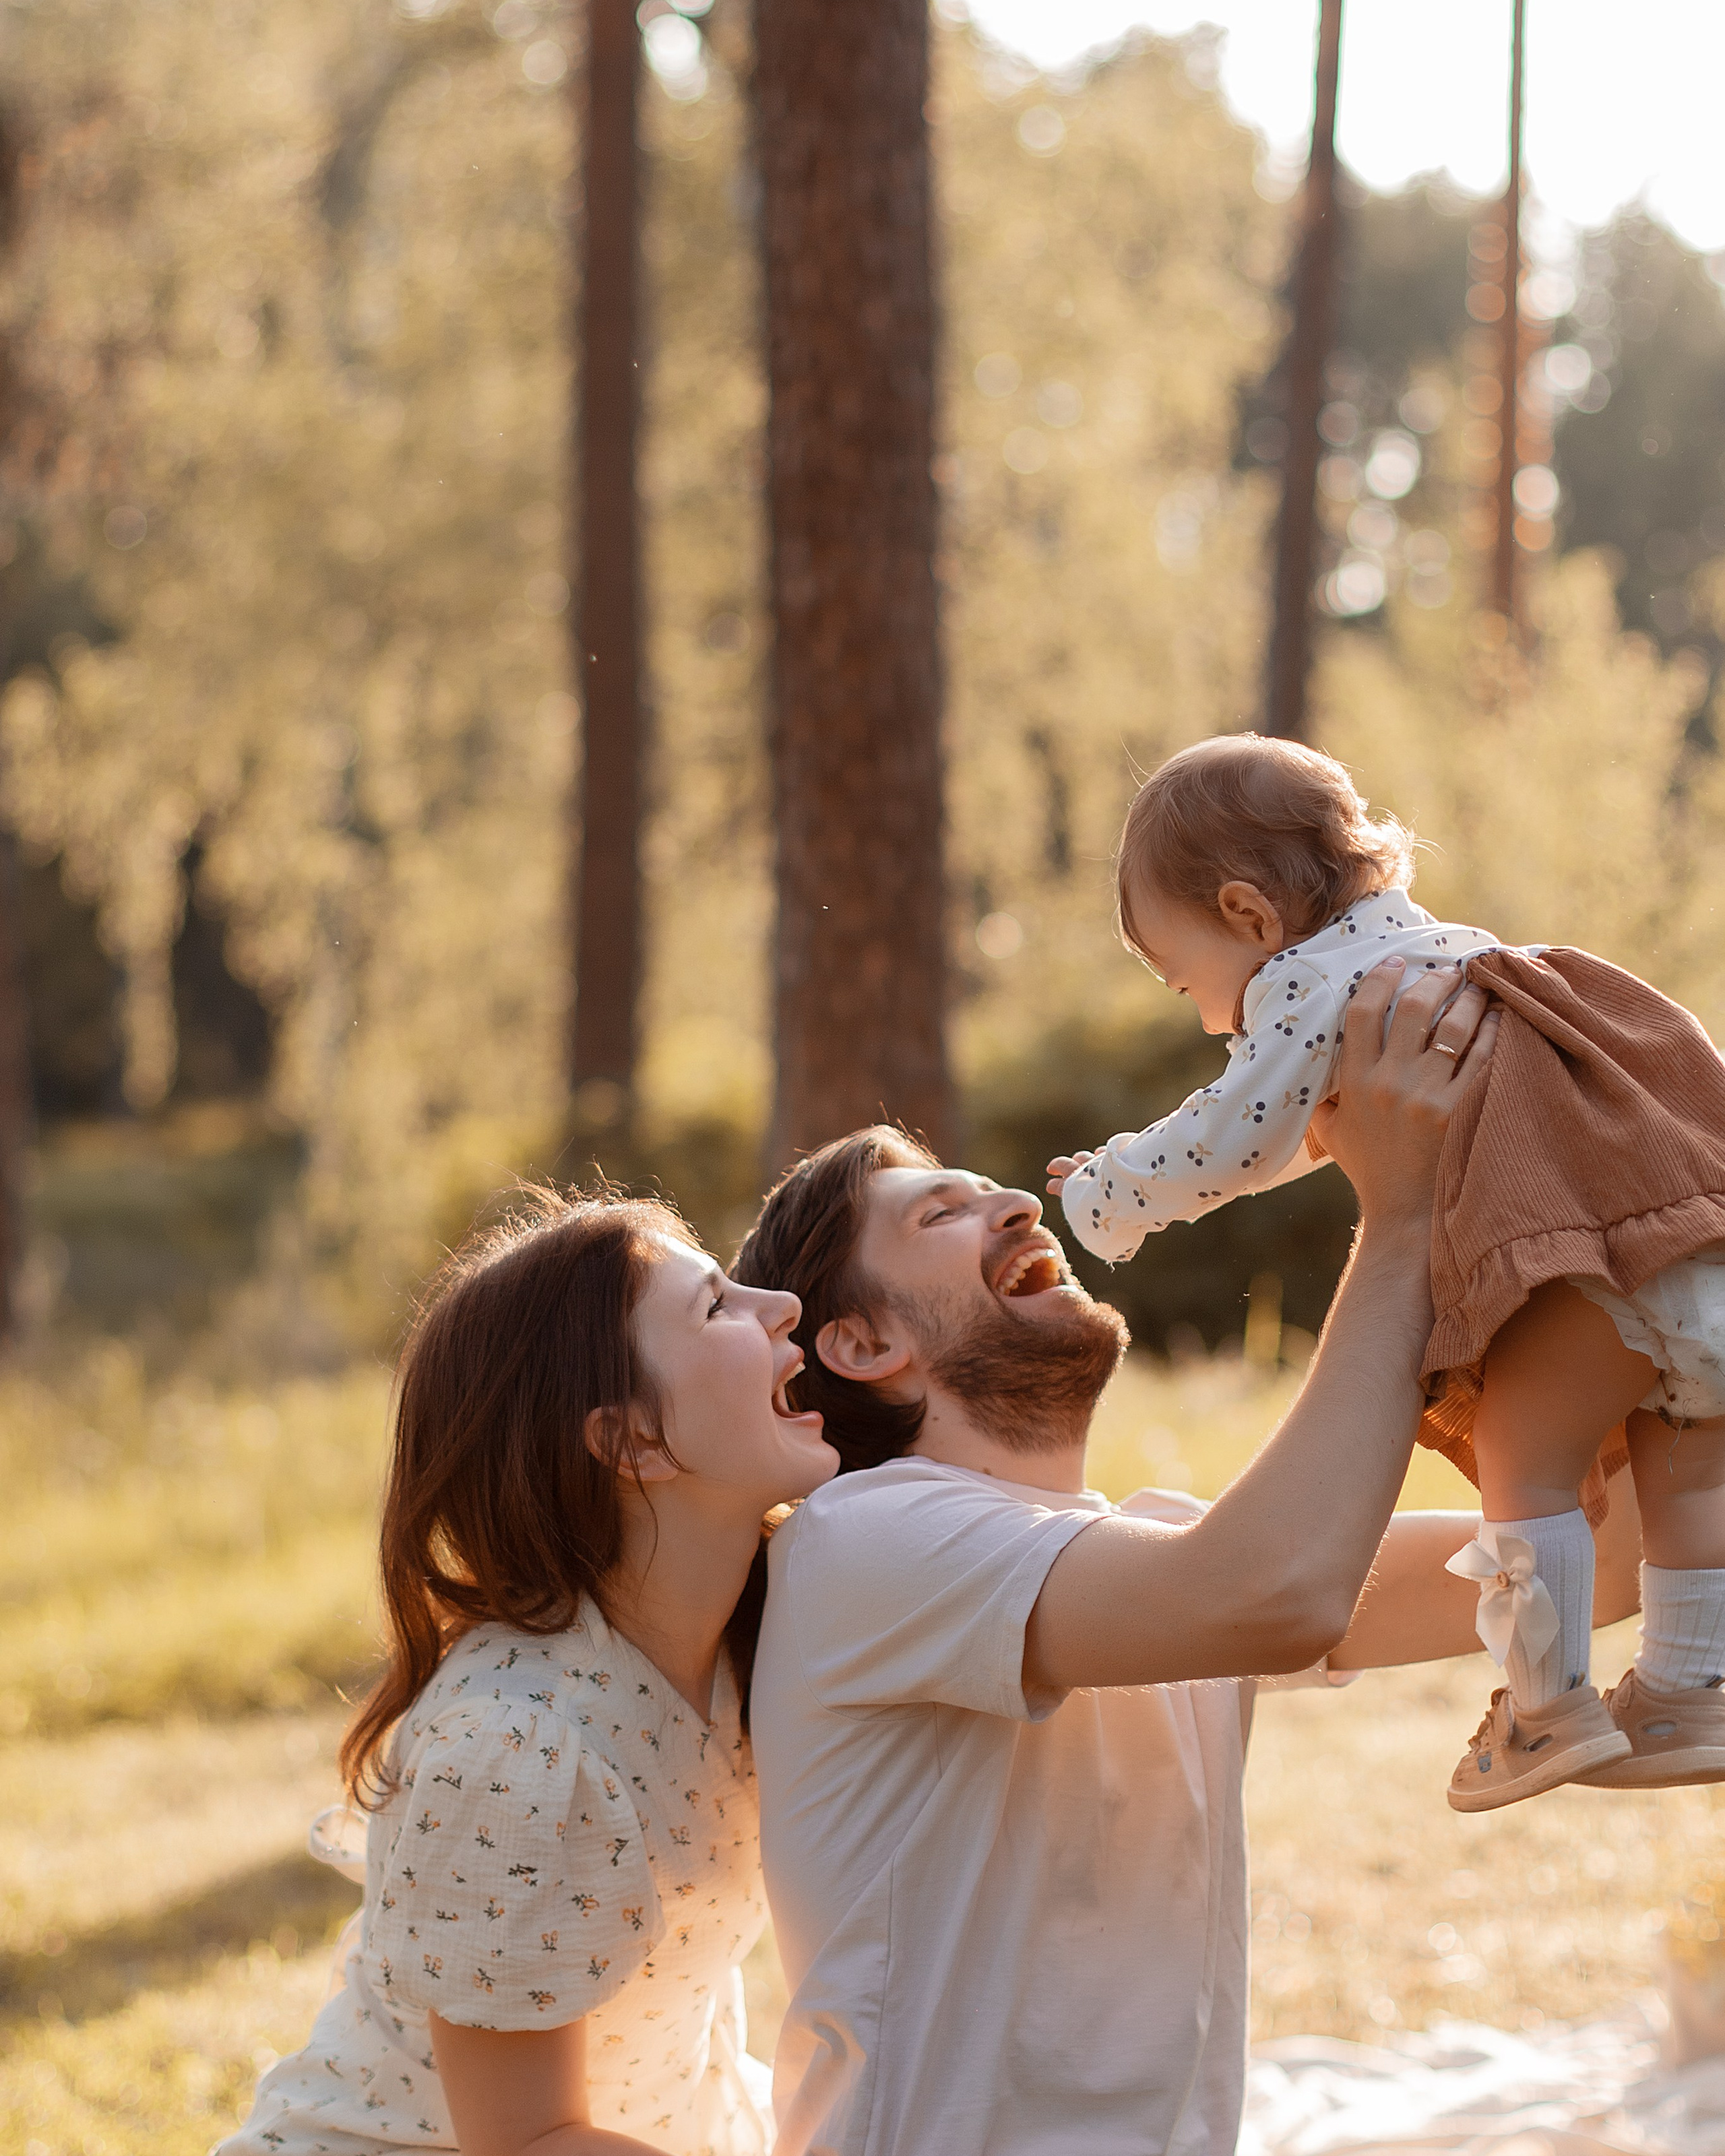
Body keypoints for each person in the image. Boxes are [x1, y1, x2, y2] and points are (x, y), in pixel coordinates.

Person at [730, 962, 1644, 2156]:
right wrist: (1404, 1210)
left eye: (987, 1191)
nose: (1014, 1201)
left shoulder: (1146, 1562)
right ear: (859, 1343)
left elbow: (1605, 1562)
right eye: (938, 1215)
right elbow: (1277, 1590)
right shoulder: (865, 1543)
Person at [1046, 734, 1725, 1810]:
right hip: (1695, 1248)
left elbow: (1238, 1134)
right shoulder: (1458, 954)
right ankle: (1693, 1686)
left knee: (1525, 1454)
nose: (1212, 1019)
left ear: (1249, 919)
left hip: (1585, 1269)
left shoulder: (1323, 987)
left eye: (1190, 986)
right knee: (1686, 1455)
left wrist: (1106, 1193)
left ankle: (1547, 1706)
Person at [220, 1187, 838, 2156]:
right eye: (717, 1307)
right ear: (631, 1439)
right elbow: (528, 2141)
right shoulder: (518, 1751)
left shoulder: (768, 1628)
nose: (781, 1305)